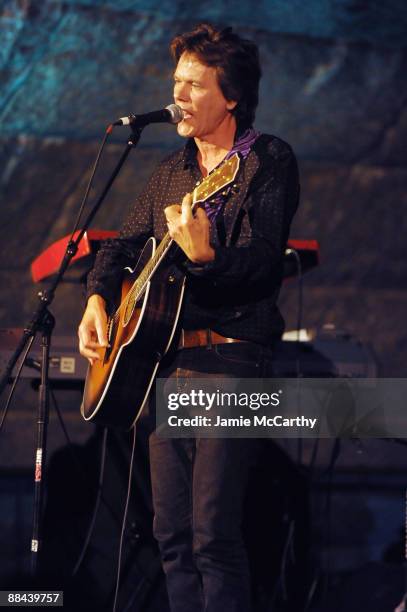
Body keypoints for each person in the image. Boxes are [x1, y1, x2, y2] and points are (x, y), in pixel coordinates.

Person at [78, 23, 300, 612]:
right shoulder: (171, 173)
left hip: (230, 356)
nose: (177, 94)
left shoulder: (266, 161)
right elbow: (120, 247)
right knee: (171, 536)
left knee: (213, 536)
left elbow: (262, 264)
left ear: (230, 97)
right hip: (166, 365)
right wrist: (99, 298)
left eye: (193, 84)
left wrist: (208, 258)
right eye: (176, 81)